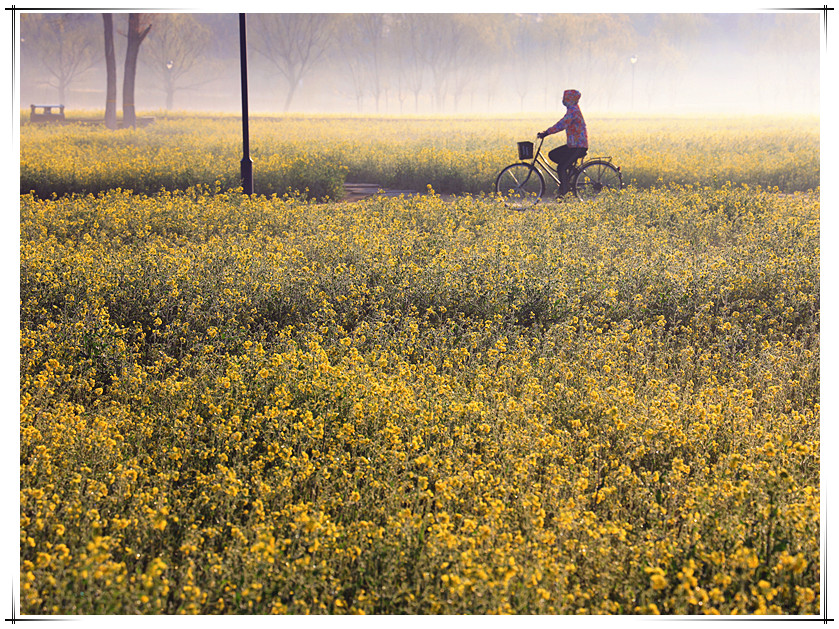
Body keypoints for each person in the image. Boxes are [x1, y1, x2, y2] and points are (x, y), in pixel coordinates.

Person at [537, 89, 588, 197]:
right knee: (553, 154)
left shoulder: (573, 111)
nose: (563, 101)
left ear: (570, 99)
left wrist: (546, 132)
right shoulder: (572, 109)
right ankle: (569, 175)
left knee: (561, 167)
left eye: (565, 99)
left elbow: (562, 124)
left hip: (578, 146)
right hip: (573, 145)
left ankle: (564, 192)